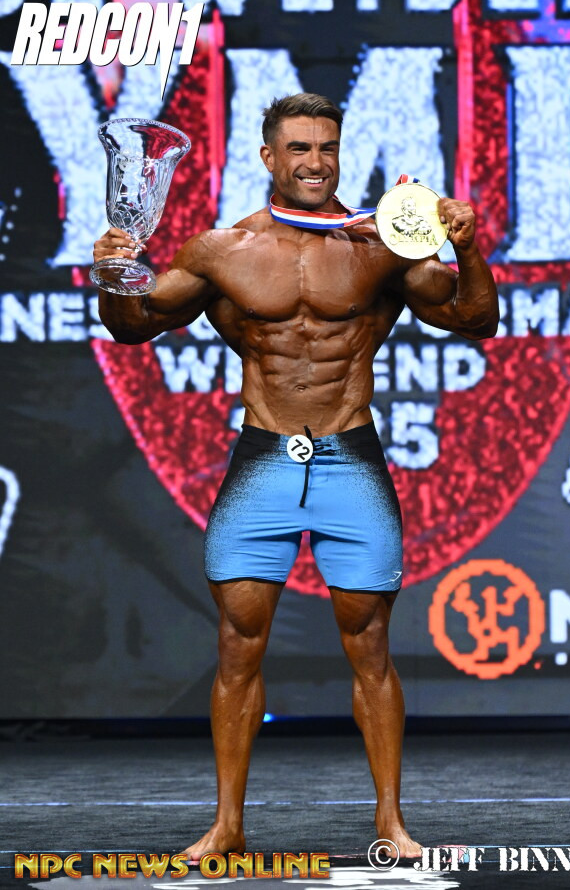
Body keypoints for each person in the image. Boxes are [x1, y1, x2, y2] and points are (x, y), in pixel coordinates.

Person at [93, 93, 499, 862]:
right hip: (263, 463)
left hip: (350, 458)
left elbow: (475, 319)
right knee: (237, 647)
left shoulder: (381, 246)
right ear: (268, 157)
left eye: (327, 147)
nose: (316, 162)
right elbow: (134, 328)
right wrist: (113, 275)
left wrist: (468, 249)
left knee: (370, 645)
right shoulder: (222, 250)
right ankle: (227, 826)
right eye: (300, 148)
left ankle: (391, 823)